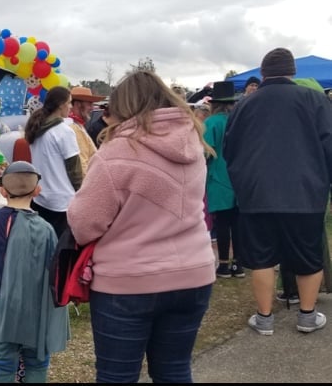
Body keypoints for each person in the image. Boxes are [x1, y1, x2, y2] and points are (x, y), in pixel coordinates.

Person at [67, 70, 216, 383]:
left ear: (124, 107)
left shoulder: (118, 152)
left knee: (117, 376)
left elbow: (84, 223)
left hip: (128, 280)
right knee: (174, 369)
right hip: (193, 272)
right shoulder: (193, 143)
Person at [224, 47, 331, 335]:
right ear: (293, 72)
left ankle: (265, 318)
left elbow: (229, 151)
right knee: (309, 256)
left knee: (261, 258)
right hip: (305, 193)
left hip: (257, 194)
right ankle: (307, 316)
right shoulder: (315, 100)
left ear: (263, 72)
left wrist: (243, 183)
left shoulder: (244, 105)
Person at [0, 161, 70, 383]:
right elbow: (55, 272)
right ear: (37, 190)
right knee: (36, 359)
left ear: (2, 191)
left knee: (4, 361)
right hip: (34, 303)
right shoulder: (46, 229)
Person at [23, 86, 82, 238]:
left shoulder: (35, 128)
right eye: (69, 103)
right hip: (61, 202)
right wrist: (82, 193)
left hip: (40, 198)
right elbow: (74, 170)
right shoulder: (65, 131)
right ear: (61, 104)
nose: (70, 107)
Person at [203, 81, 245, 279]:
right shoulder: (240, 120)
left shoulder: (211, 123)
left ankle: (224, 265)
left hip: (219, 178)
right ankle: (239, 264)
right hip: (240, 177)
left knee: (222, 223)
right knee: (237, 222)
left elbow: (206, 152)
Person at [68, 87, 105, 175]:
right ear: (77, 104)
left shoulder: (77, 125)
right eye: (89, 104)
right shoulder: (74, 127)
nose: (92, 108)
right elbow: (82, 164)